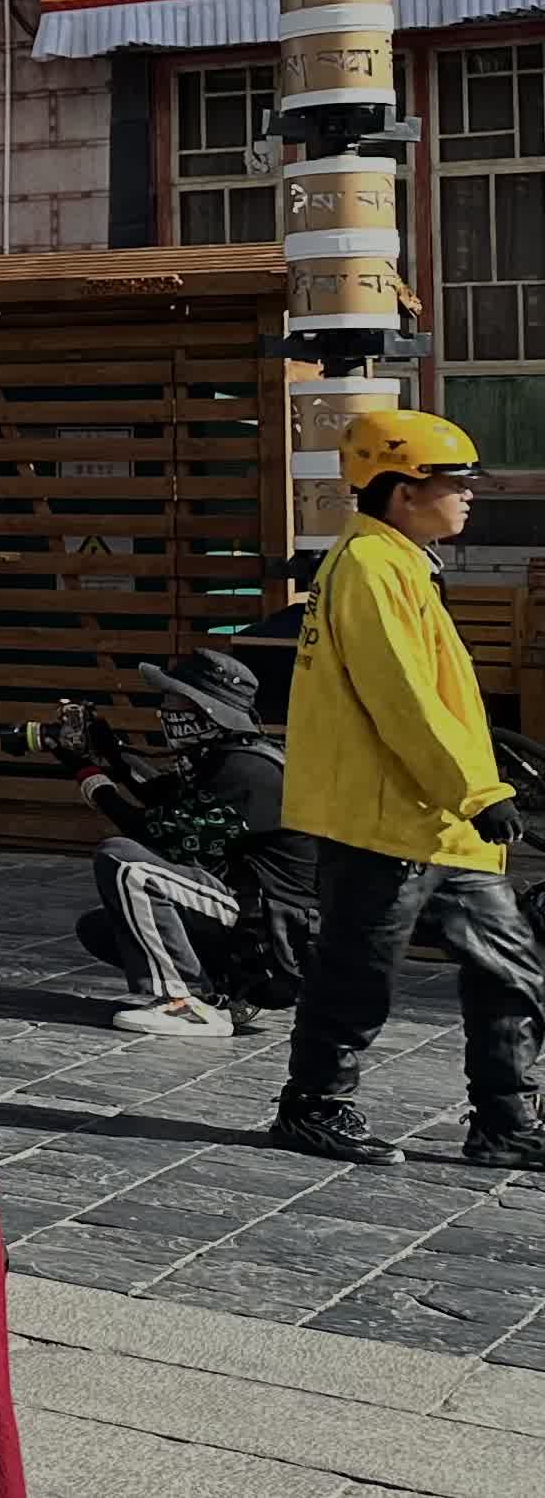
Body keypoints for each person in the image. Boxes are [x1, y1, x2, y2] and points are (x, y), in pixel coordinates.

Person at [272, 408, 545, 1169]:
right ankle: (313, 1108)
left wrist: (480, 786)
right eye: (455, 483)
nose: (469, 496)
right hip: (385, 818)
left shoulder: (402, 563)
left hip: (443, 820)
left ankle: (507, 1124)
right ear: (402, 491)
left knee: (512, 968)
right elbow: (402, 699)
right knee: (357, 975)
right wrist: (476, 789)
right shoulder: (369, 568)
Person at [68, 649, 316, 1039]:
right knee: (101, 928)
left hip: (278, 939)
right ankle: (226, 995)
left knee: (126, 864)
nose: (165, 710)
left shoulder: (249, 771)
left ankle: (185, 1002)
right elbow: (162, 795)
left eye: (174, 700)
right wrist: (111, 755)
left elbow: (156, 832)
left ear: (206, 711)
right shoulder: (227, 756)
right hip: (260, 925)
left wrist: (86, 775)